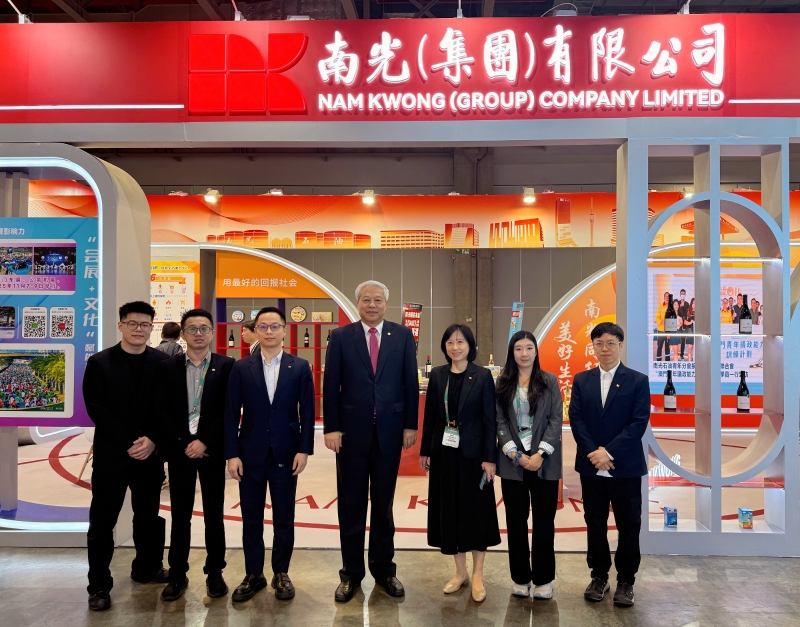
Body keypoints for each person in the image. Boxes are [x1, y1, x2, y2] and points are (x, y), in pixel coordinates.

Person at [323, 280, 419, 603]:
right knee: (351, 506)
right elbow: (331, 384)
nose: (372, 305)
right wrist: (331, 428)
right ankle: (351, 574)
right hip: (350, 435)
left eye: (378, 299)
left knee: (384, 505)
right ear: (358, 303)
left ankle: (384, 570)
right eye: (366, 300)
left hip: (390, 432)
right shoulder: (341, 337)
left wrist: (410, 425)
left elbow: (410, 382)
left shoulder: (402, 336)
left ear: (386, 304)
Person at [83, 301, 172, 612]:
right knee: (102, 522)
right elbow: (97, 408)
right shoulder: (100, 362)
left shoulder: (163, 362)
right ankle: (98, 586)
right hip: (112, 455)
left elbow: (168, 408)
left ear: (152, 328)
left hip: (150, 454)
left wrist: (153, 440)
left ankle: (147, 567)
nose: (138, 329)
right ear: (120, 325)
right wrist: (129, 443)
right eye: (132, 323)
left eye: (145, 324)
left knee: (148, 517)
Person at [225, 306, 314, 602]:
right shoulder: (242, 367)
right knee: (251, 518)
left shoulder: (299, 366)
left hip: (286, 454)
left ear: (284, 330)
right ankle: (254, 574)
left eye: (275, 326)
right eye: (263, 326)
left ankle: (281, 573)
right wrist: (232, 454)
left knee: (284, 518)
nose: (269, 331)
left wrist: (304, 449)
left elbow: (308, 411)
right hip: (249, 454)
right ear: (256, 331)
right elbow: (230, 414)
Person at [569, 322, 650, 608]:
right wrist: (594, 453)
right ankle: (599, 577)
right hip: (591, 466)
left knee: (628, 524)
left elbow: (638, 423)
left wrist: (609, 453)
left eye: (611, 343)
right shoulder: (582, 380)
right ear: (593, 347)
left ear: (620, 346)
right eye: (599, 343)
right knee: (595, 523)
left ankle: (626, 581)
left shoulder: (637, 380)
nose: (605, 348)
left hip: (624, 466)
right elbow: (576, 419)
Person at [157, 309, 234, 602]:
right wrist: (185, 442)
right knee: (180, 514)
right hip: (180, 450)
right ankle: (177, 573)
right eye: (192, 329)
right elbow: (163, 410)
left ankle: (215, 572)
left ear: (212, 333)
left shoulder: (227, 366)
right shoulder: (168, 367)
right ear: (183, 334)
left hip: (211, 450)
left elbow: (229, 410)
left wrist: (204, 441)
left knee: (214, 514)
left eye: (204, 328)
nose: (198, 333)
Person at [419, 324, 499, 603]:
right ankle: (460, 572)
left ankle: (478, 575)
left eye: (461, 342)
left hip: (474, 457)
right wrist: (425, 450)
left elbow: (490, 420)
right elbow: (431, 416)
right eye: (450, 342)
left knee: (476, 513)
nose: (455, 347)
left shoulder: (483, 376)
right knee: (450, 510)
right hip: (444, 453)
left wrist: (490, 458)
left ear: (470, 346)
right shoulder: (438, 375)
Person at [495, 330, 563, 601]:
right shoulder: (502, 383)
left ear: (536, 351)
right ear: (512, 353)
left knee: (545, 521)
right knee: (515, 522)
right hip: (513, 462)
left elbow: (556, 419)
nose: (524, 353)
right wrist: (515, 454)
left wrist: (540, 455)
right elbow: (499, 421)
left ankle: (543, 579)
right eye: (518, 348)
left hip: (544, 462)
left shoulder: (549, 381)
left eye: (529, 348)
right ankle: (520, 578)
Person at [653, 292, 670, 362]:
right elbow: (657, 318)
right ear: (664, 298)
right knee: (659, 347)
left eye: (668, 297)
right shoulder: (660, 306)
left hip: (668, 331)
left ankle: (667, 362)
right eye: (666, 296)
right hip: (660, 330)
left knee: (667, 347)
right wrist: (661, 322)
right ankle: (658, 361)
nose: (667, 298)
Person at [676, 290, 688, 360]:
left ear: (685, 294)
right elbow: (676, 311)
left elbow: (686, 314)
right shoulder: (677, 303)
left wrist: (683, 307)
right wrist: (680, 306)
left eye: (684, 294)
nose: (682, 295)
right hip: (677, 324)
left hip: (684, 325)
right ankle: (676, 353)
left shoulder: (687, 304)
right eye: (681, 294)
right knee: (677, 339)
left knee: (683, 339)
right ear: (680, 294)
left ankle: (682, 354)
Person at [684, 298, 695, 362]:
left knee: (695, 348)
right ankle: (689, 362)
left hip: (697, 332)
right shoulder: (688, 311)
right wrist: (690, 323)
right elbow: (685, 322)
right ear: (691, 303)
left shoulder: (699, 312)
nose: (694, 304)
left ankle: (695, 362)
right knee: (690, 348)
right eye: (693, 303)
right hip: (690, 332)